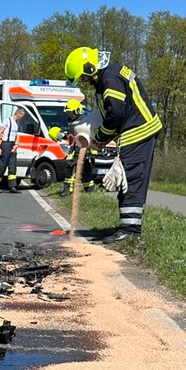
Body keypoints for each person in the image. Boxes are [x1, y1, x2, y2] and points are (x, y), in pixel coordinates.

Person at [64, 47, 163, 242]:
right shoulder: (112, 74)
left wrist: (100, 137)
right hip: (140, 131)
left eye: (83, 77)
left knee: (131, 179)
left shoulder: (108, 79)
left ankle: (130, 231)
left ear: (90, 67)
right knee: (131, 179)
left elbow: (115, 113)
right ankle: (129, 227)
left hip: (137, 132)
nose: (84, 81)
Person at [0, 107, 25, 192]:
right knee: (3, 165)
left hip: (12, 145)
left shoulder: (16, 123)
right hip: (5, 144)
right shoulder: (7, 121)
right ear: (18, 114)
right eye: (22, 115)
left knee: (12, 166)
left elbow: (16, 135)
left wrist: (16, 145)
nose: (22, 117)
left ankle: (12, 186)